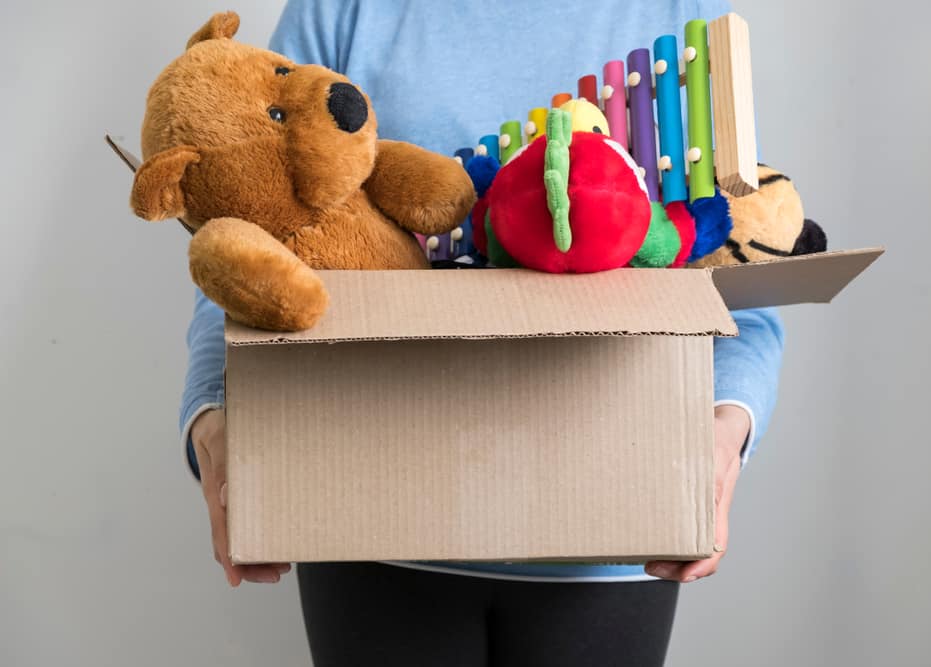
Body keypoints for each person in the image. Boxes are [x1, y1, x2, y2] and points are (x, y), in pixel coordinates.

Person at [182, 1, 784, 664]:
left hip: (612, 538)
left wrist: (725, 431)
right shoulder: (344, 9)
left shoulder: (679, 13)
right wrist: (214, 415)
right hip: (372, 524)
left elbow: (748, 265)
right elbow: (245, 247)